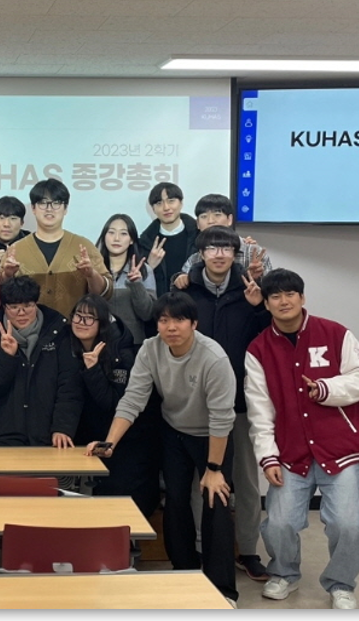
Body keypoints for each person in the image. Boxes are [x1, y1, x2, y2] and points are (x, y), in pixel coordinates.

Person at [85, 293, 239, 605]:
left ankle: (223, 590)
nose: (171, 327)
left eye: (179, 320)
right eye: (164, 320)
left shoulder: (214, 358)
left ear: (194, 323)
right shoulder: (150, 349)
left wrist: (213, 469)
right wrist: (110, 442)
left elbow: (222, 418)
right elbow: (133, 399)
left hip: (212, 436)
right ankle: (184, 572)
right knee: (176, 502)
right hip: (174, 431)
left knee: (216, 502)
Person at [245, 268, 359, 609]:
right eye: (275, 296)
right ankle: (284, 573)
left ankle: (341, 584)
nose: (284, 301)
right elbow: (260, 410)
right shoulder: (258, 349)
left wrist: (326, 389)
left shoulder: (335, 333)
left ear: (302, 298)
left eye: (290, 294)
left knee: (348, 525)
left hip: (338, 450)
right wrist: (267, 457)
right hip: (291, 454)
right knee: (279, 524)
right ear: (266, 303)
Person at [173, 225, 272, 582]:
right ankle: (205, 550)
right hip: (196, 403)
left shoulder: (250, 288)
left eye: (226, 248)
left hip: (240, 401)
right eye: (212, 248)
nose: (219, 254)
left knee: (245, 481)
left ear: (235, 253)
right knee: (202, 481)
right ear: (200, 254)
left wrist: (259, 308)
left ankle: (248, 550)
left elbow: (268, 338)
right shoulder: (186, 289)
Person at [68, 294, 159, 520]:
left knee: (120, 503)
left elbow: (113, 404)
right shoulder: (67, 347)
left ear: (102, 323)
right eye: (78, 316)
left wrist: (93, 370)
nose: (81, 322)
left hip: (127, 440)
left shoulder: (122, 355)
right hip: (86, 436)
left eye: (89, 318)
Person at [0, 276, 82, 447]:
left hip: (50, 435)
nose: (21, 313)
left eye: (28, 306)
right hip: (5, 436)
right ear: (4, 308)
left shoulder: (58, 334)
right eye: (14, 307)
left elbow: (69, 386)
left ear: (36, 304)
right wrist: (6, 356)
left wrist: (62, 428)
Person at [0, 178, 112, 318]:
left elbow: (106, 293)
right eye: (42, 203)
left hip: (74, 328)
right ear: (33, 208)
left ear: (65, 209)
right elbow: (1, 295)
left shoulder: (84, 246)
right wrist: (7, 275)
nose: (49, 208)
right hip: (29, 329)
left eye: (56, 203)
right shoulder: (16, 250)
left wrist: (91, 274)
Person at [172, 193, 272, 290]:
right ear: (198, 223)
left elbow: (272, 291)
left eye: (217, 215)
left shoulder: (254, 253)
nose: (210, 221)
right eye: (204, 216)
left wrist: (255, 279)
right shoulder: (195, 258)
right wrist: (180, 278)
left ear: (229, 219)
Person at [95, 213, 158, 345]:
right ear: (104, 236)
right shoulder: (94, 270)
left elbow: (147, 314)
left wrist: (136, 285)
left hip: (133, 344)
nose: (116, 238)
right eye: (111, 232)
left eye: (123, 233)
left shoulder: (144, 270)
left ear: (131, 240)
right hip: (98, 343)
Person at [138, 182, 199, 298]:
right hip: (161, 305)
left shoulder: (198, 235)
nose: (166, 207)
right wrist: (149, 266)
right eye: (159, 203)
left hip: (195, 303)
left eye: (171, 201)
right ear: (153, 209)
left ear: (181, 203)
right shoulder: (145, 242)